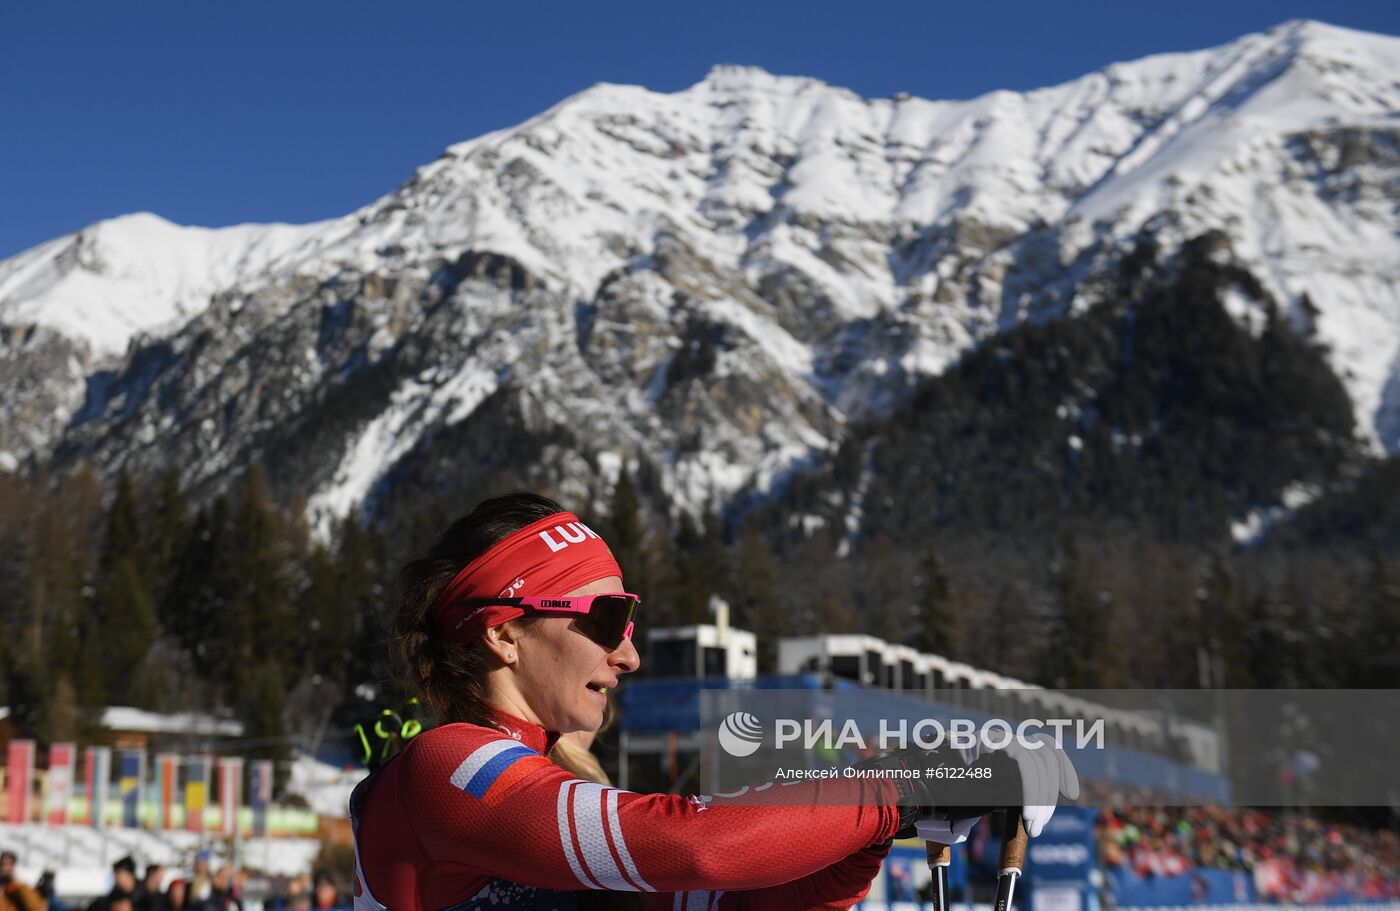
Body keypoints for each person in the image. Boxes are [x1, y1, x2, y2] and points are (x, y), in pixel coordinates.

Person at [355, 493, 1077, 910]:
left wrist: (867, 836)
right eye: (606, 618)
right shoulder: (446, 768)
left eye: (630, 623)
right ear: (505, 633)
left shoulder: (547, 779)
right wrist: (900, 784)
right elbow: (699, 846)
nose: (629, 652)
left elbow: (733, 904)